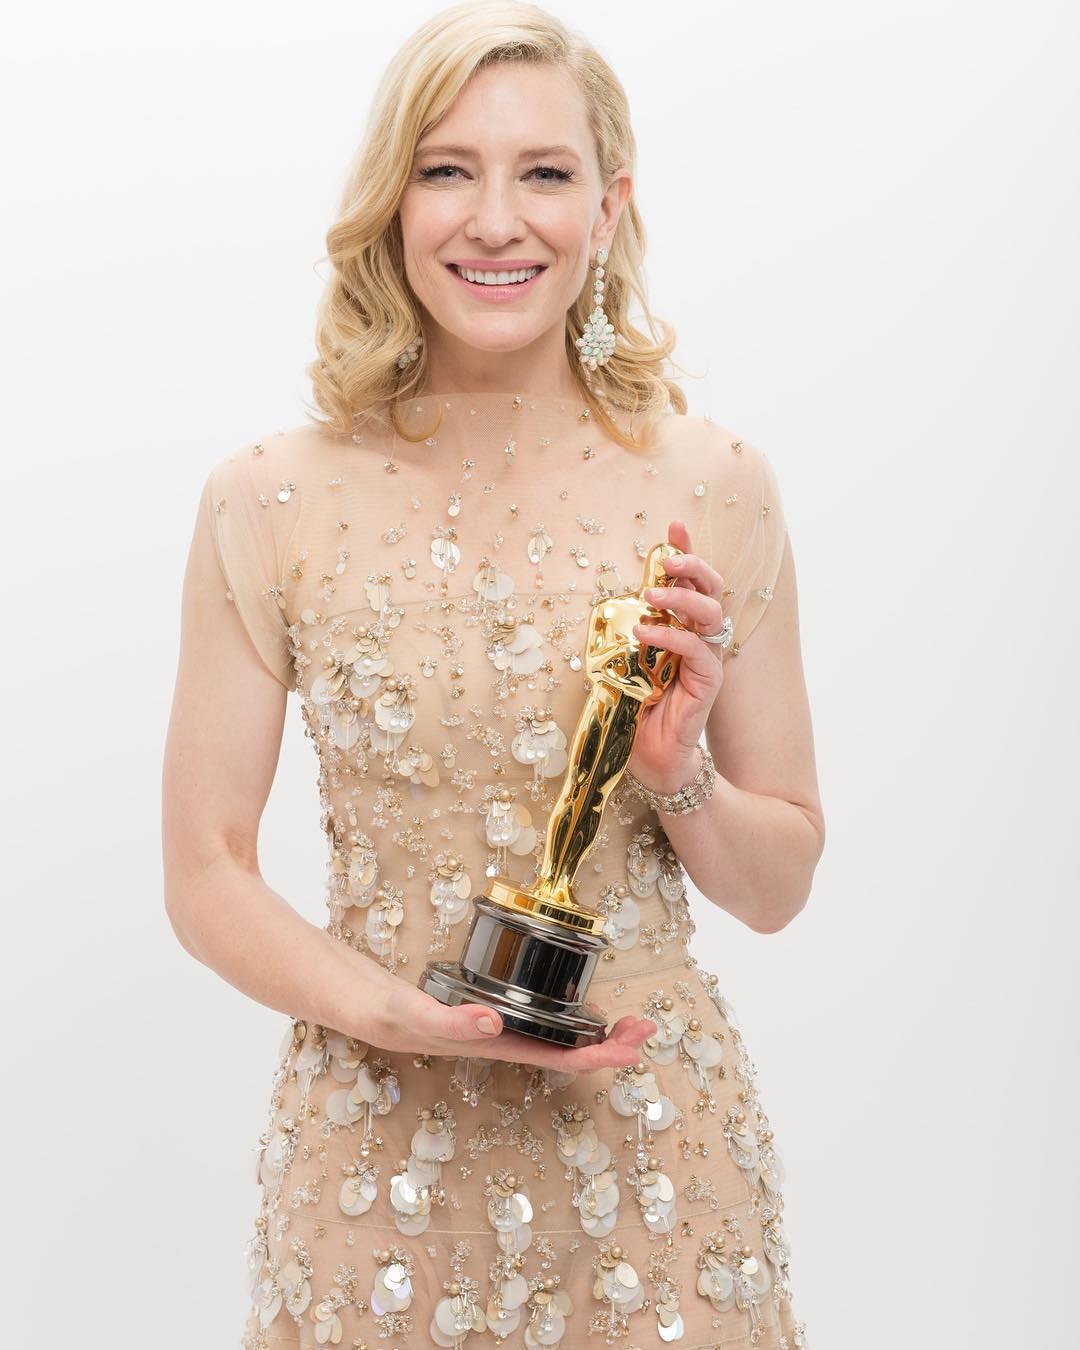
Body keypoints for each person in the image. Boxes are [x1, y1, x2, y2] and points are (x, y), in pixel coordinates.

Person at [161, 4, 824, 1346]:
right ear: (393, 201)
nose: (497, 220)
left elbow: (779, 885)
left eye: (546, 172)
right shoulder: (269, 498)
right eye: (448, 170)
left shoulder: (716, 484)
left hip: (651, 1165)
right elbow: (204, 870)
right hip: (378, 1170)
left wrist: (680, 773)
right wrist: (391, 1013)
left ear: (609, 205)